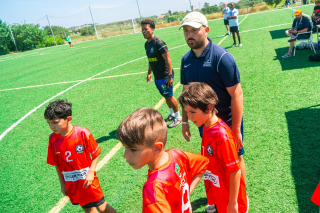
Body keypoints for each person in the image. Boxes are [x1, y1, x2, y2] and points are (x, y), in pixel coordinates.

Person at [179, 11, 247, 186]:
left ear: (206, 29)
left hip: (227, 123)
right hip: (205, 125)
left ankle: (240, 199)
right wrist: (185, 122)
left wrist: (236, 129)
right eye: (186, 31)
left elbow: (236, 94)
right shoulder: (185, 60)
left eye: (194, 30)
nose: (189, 35)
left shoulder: (221, 57)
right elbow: (186, 94)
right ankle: (219, 197)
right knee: (215, 162)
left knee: (235, 161)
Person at [116, 108, 209, 213]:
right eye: (125, 148)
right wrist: (184, 197)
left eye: (133, 149)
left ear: (157, 148)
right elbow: (203, 163)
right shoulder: (176, 154)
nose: (125, 155)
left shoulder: (153, 188)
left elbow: (203, 164)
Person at [179, 82, 248, 213]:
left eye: (193, 112)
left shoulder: (222, 137)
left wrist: (233, 204)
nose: (189, 117)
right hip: (219, 191)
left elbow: (235, 171)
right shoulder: (206, 126)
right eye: (187, 112)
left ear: (209, 108)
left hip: (230, 199)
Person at [45, 99, 117, 213]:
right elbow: (56, 163)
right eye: (48, 122)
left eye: (55, 122)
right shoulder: (52, 139)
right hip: (72, 183)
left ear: (68, 119)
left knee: (102, 207)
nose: (51, 126)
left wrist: (91, 172)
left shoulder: (82, 133)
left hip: (88, 181)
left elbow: (96, 153)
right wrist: (62, 183)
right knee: (87, 208)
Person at [141, 19, 182, 128]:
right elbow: (150, 59)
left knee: (170, 96)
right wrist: (149, 73)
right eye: (142, 29)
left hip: (165, 75)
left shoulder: (159, 43)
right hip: (157, 76)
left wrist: (169, 75)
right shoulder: (146, 44)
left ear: (152, 30)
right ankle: (172, 114)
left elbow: (168, 59)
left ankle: (178, 117)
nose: (143, 31)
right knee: (165, 95)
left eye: (146, 29)